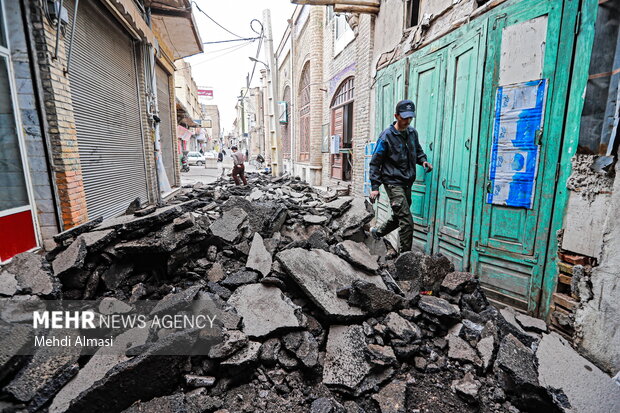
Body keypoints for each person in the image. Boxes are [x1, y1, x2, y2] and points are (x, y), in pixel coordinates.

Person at [368, 99, 433, 255]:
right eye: (404, 118)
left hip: (407, 183)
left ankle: (377, 232)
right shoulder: (386, 137)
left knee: (399, 216)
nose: (407, 121)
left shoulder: (412, 133)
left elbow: (417, 151)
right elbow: (375, 163)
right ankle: (404, 260)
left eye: (410, 118)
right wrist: (375, 187)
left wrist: (423, 161)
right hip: (392, 183)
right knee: (407, 222)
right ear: (396, 116)